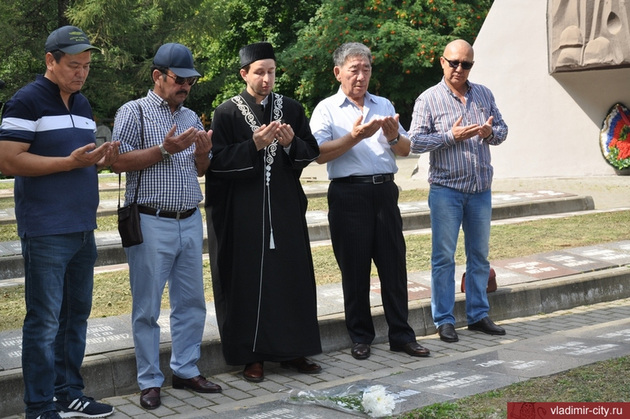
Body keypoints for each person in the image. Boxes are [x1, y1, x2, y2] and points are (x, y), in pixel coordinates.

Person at [0, 26, 118, 419]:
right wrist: (69, 163)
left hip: (83, 228)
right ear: (50, 61)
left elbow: (77, 159)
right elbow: (8, 160)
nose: (81, 73)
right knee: (44, 321)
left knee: (75, 317)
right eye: (73, 65)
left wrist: (98, 160)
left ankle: (68, 393)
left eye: (86, 66)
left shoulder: (82, 104)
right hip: (46, 230)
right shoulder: (26, 101)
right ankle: (38, 406)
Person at [111, 43, 220, 410]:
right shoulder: (134, 112)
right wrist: (164, 150)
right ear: (158, 76)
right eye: (179, 79)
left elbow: (200, 169)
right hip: (150, 220)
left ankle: (185, 369)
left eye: (190, 80)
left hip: (188, 219)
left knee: (192, 303)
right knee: (147, 308)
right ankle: (149, 380)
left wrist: (202, 154)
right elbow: (118, 162)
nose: (185, 86)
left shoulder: (191, 118)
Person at [205, 42, 322, 382]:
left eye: (271, 72)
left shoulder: (292, 109)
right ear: (244, 74)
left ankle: (293, 350)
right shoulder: (226, 113)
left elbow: (310, 151)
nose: (267, 79)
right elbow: (216, 164)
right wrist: (254, 145)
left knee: (290, 277)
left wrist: (290, 144)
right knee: (247, 281)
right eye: (259, 72)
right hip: (244, 215)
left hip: (285, 212)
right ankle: (251, 356)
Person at [309, 42, 430, 361]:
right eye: (354, 70)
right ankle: (361, 336)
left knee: (394, 266)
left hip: (384, 192)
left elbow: (405, 149)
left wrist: (393, 136)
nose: (361, 76)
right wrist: (355, 137)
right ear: (338, 72)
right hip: (348, 194)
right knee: (355, 269)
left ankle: (401, 335)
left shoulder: (383, 104)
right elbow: (318, 153)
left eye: (366, 69)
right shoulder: (326, 109)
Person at [408, 39, 508, 343]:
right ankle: (444, 319)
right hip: (446, 191)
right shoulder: (428, 99)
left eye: (466, 64)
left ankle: (478, 315)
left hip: (480, 190)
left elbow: (503, 130)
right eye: (454, 63)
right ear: (442, 62)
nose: (459, 69)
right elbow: (414, 142)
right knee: (443, 257)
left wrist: (490, 133)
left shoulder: (483, 94)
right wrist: (449, 136)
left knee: (479, 256)